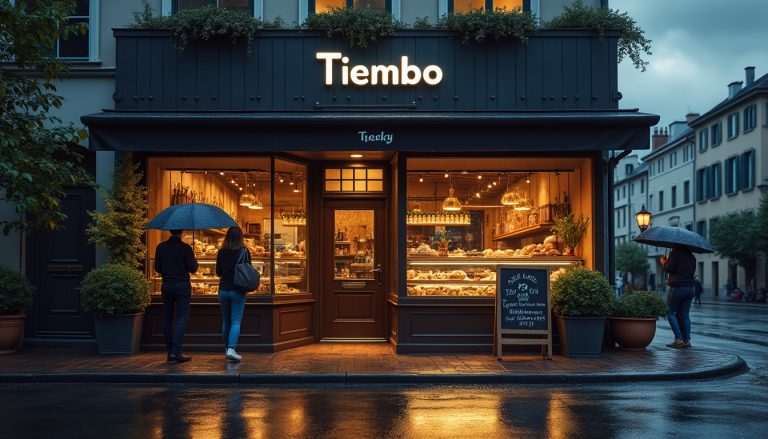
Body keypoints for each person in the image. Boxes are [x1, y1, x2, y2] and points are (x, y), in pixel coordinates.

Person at [154, 229, 199, 362]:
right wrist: (194, 259)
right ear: (182, 232)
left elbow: (157, 268)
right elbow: (193, 268)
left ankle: (170, 352)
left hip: (167, 285)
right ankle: (176, 351)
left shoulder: (160, 247)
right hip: (181, 286)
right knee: (181, 318)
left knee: (167, 317)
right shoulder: (185, 248)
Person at [216, 226, 253, 362]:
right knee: (236, 321)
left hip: (223, 290)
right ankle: (231, 348)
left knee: (226, 321)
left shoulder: (221, 252)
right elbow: (249, 269)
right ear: (240, 237)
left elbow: (218, 272)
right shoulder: (244, 251)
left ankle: (227, 349)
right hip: (238, 290)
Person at [660, 245, 696, 349]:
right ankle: (686, 340)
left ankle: (678, 339)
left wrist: (663, 262)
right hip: (691, 288)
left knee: (669, 312)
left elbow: (668, 268)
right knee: (684, 314)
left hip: (678, 287)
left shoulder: (675, 254)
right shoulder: (691, 256)